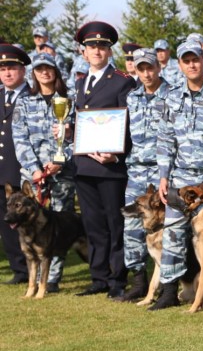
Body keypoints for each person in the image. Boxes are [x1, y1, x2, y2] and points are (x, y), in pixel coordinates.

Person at [155, 40, 203, 310]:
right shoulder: (172, 96)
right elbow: (166, 138)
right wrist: (164, 175)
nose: (191, 64)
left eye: (195, 59)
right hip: (179, 180)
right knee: (173, 234)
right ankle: (168, 291)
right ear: (179, 64)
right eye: (186, 60)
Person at [72, 21, 137, 298]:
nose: (96, 50)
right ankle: (98, 277)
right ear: (83, 51)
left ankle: (117, 280)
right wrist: (65, 130)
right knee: (93, 224)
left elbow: (132, 123)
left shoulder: (123, 80)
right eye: (91, 46)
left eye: (102, 46)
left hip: (110, 166)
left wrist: (116, 151)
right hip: (84, 164)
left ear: (109, 51)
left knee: (114, 223)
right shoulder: (79, 82)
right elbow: (80, 121)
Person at [12, 52, 76, 293]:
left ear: (56, 72)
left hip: (62, 174)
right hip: (33, 176)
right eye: (40, 70)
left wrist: (60, 161)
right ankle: (33, 277)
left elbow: (75, 138)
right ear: (34, 74)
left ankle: (51, 279)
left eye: (49, 69)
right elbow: (20, 139)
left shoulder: (69, 101)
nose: (45, 73)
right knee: (30, 225)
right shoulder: (25, 102)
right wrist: (34, 169)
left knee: (58, 227)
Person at [120, 48, 172, 302]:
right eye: (141, 68)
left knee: (171, 228)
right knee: (132, 225)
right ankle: (139, 280)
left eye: (150, 67)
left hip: (165, 171)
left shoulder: (174, 95)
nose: (146, 73)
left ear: (158, 67)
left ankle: (171, 284)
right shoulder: (132, 97)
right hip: (137, 171)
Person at [0, 44, 30, 285]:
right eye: (3, 69)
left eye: (12, 68)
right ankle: (19, 270)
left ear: (23, 70)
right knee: (6, 221)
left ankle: (35, 268)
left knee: (31, 222)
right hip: (1, 173)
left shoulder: (32, 96)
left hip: (23, 171)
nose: (7, 73)